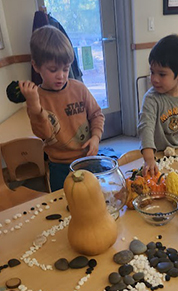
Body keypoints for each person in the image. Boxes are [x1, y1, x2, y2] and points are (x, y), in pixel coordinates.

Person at [19, 25, 105, 191]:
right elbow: (44, 134)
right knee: (64, 205)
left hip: (87, 158)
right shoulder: (36, 98)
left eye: (65, 69)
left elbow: (96, 114)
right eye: (53, 70)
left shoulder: (79, 89)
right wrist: (35, 107)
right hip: (59, 166)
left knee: (94, 198)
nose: (61, 75)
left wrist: (95, 137)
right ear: (36, 66)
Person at [138, 34, 178, 176]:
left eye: (162, 74)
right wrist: (149, 159)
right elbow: (145, 128)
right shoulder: (151, 99)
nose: (154, 79)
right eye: (152, 72)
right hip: (156, 155)